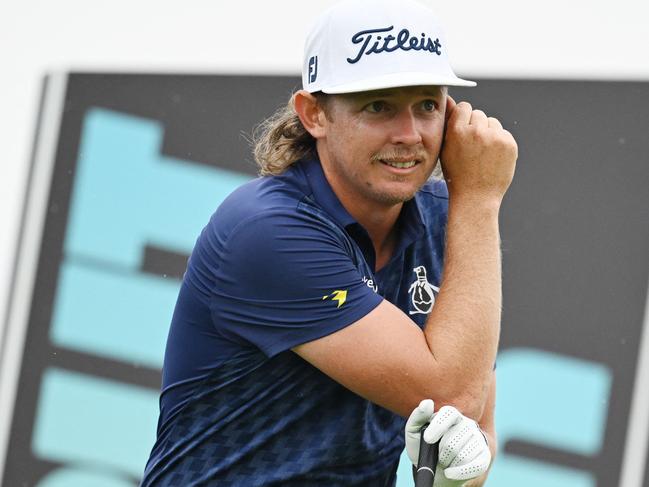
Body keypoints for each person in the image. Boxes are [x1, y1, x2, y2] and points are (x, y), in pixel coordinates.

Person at [141, 0, 517, 485]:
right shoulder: (268, 230)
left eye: (426, 105)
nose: (409, 134)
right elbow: (453, 393)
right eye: (378, 105)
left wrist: (465, 466)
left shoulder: (451, 216)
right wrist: (482, 199)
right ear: (314, 113)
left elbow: (472, 421)